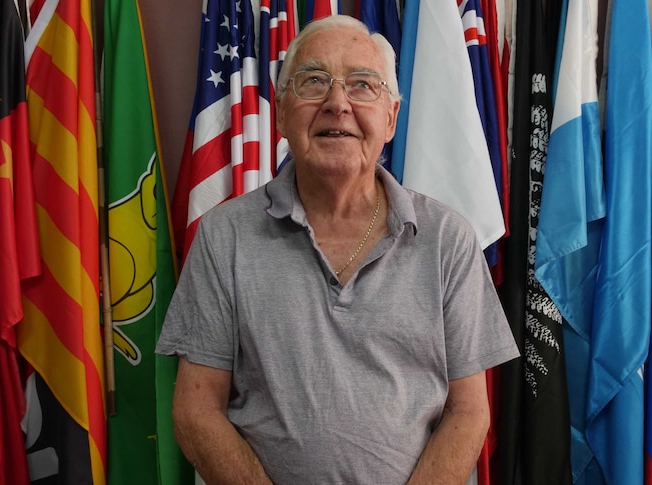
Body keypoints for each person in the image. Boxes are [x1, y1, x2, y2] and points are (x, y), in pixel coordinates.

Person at [156, 14, 519, 485]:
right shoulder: (224, 235)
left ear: (390, 118)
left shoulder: (448, 239)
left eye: (363, 85)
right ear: (282, 113)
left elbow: (469, 412)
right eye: (313, 81)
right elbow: (195, 410)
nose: (337, 103)